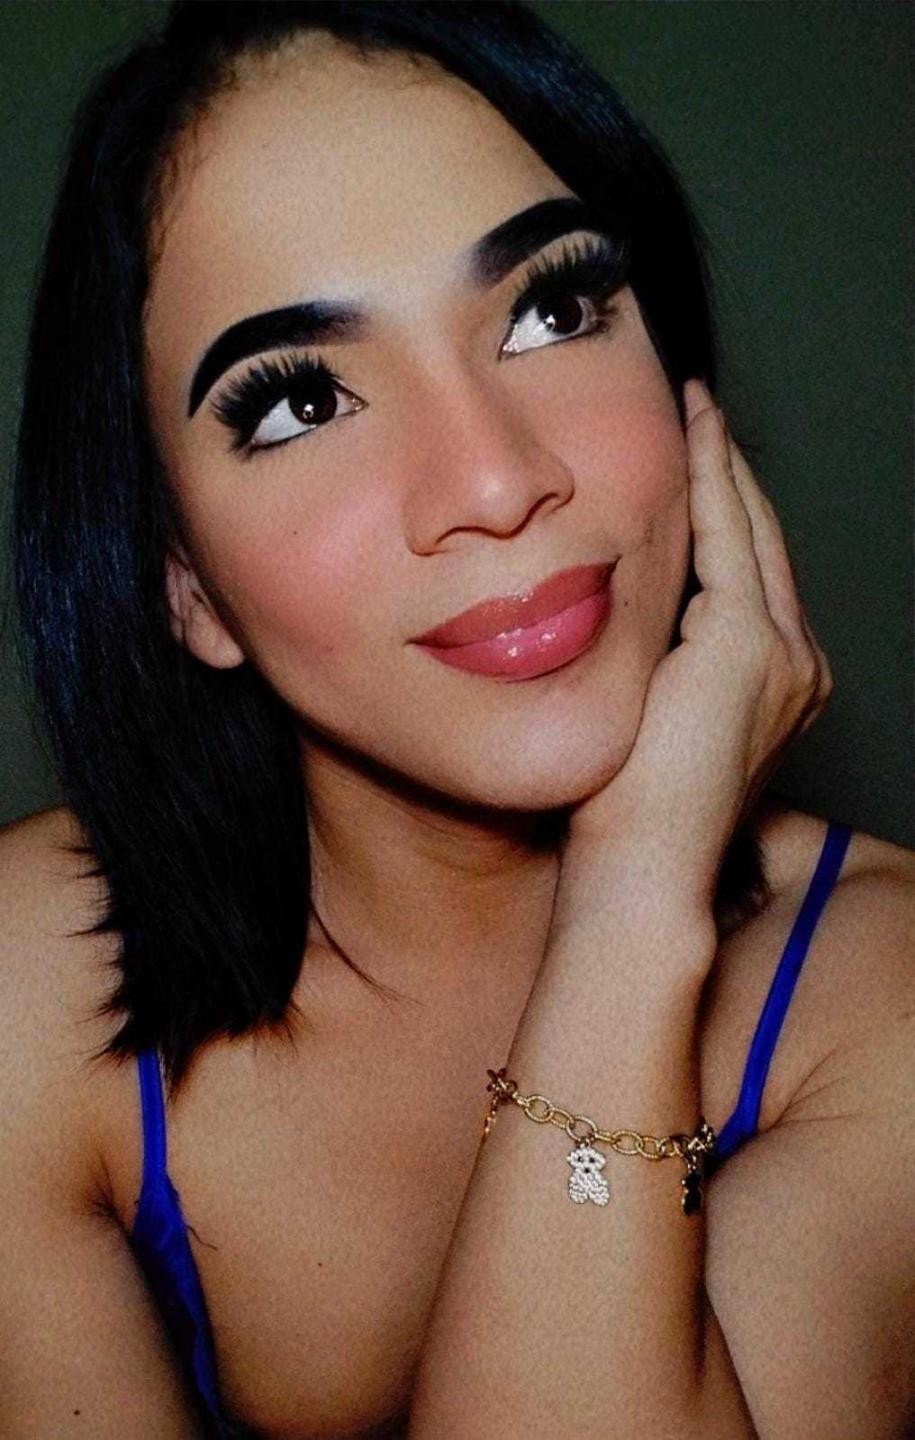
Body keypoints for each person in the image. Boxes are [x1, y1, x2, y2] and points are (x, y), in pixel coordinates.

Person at [1, 3, 912, 1437]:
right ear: (186, 584)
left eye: (552, 311)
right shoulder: (27, 993)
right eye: (302, 401)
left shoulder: (883, 993)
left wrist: (632, 910)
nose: (493, 482)